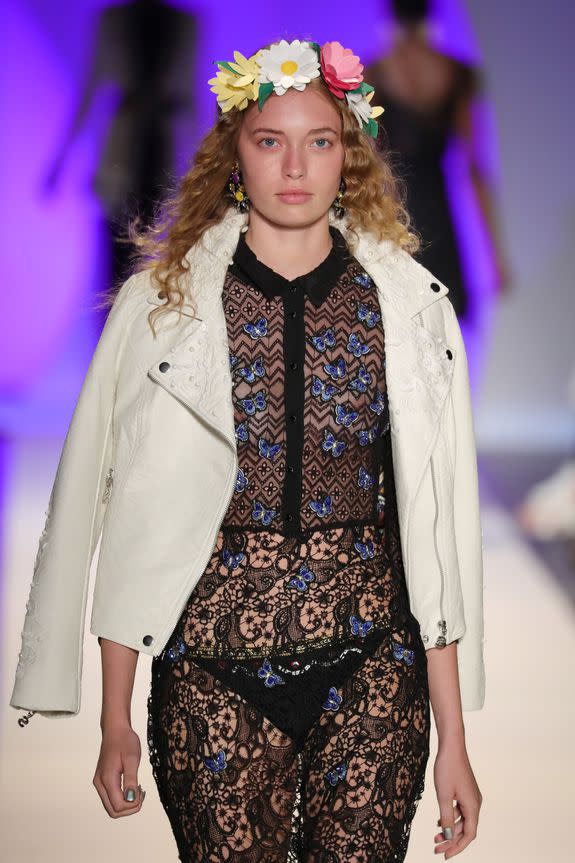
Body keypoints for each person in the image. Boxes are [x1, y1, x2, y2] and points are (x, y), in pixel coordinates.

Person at [10, 36, 484, 862]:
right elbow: (120, 503)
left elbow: (434, 530)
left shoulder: (409, 311)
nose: (294, 167)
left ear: (349, 158)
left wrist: (454, 738)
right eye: (271, 141)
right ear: (236, 153)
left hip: (375, 663)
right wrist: (113, 713)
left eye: (319, 142)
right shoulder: (161, 311)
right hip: (208, 671)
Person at [364, 0, 510, 322]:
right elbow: (475, 167)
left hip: (396, 217)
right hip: (441, 220)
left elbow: (372, 166)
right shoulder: (454, 73)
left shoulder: (375, 74)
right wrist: (494, 256)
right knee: (448, 332)